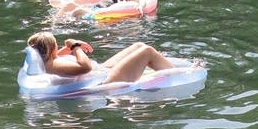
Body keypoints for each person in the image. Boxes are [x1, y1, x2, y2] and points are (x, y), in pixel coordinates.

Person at [25, 31, 180, 84]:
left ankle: (161, 64)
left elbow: (56, 57)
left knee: (138, 45)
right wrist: (75, 47)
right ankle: (180, 75)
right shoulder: (54, 66)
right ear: (52, 48)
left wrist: (71, 47)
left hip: (102, 72)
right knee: (147, 51)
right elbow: (86, 67)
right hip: (106, 81)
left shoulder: (48, 62)